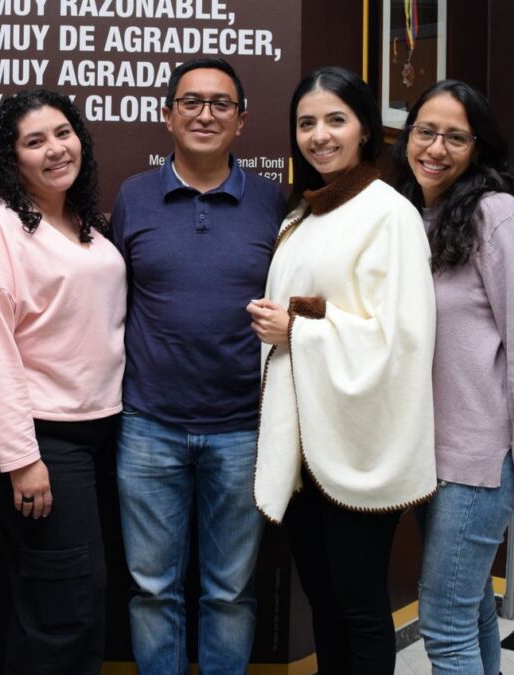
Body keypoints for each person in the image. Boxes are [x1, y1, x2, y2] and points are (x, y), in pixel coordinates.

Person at [249, 66, 437, 673]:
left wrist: (298, 329)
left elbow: (403, 338)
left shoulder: (390, 214)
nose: (319, 135)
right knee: (323, 601)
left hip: (359, 444)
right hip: (303, 445)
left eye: (335, 120)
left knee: (358, 606)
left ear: (364, 130)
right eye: (306, 123)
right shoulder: (301, 216)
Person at [111, 57, 286, 674]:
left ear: (241, 121)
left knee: (230, 594)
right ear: (167, 116)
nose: (204, 114)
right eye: (190, 102)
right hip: (148, 427)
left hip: (243, 428)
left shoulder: (275, 202)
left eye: (220, 104)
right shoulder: (133, 197)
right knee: (153, 592)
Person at [392, 79, 514, 674]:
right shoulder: (414, 215)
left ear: (478, 148)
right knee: (473, 614)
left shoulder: (498, 217)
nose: (435, 148)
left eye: (455, 137)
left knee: (442, 624)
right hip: (429, 456)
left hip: (479, 462)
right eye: (425, 131)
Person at [0, 89, 126, 674]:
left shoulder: (86, 224)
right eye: (34, 141)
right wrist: (22, 458)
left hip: (103, 432)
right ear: (12, 156)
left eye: (63, 133)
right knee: (67, 610)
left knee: (55, 601)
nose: (55, 149)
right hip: (43, 439)